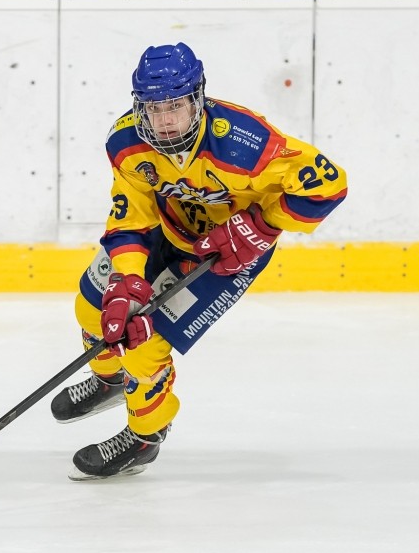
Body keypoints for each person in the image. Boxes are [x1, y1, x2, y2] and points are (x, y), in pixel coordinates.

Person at [51, 42, 348, 480]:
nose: (165, 120)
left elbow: (329, 185)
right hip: (167, 229)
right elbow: (132, 217)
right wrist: (126, 281)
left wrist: (262, 225)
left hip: (228, 256)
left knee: (144, 346)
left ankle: (144, 438)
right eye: (154, 108)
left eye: (175, 105)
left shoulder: (245, 144)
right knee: (92, 308)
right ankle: (110, 381)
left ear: (198, 99)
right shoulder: (126, 141)